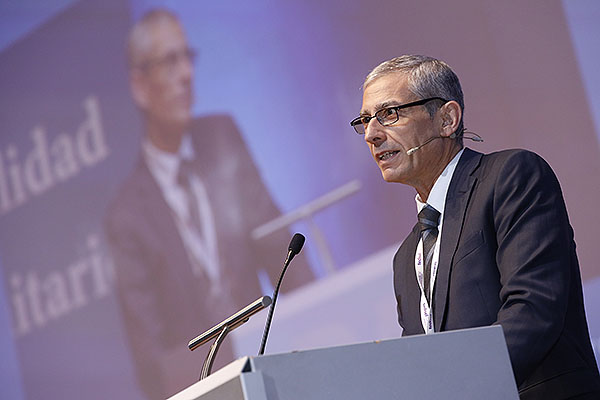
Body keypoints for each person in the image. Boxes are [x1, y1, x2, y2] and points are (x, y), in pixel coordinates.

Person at [350, 55, 600, 399]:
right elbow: (420, 362)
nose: (372, 135)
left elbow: (533, 310)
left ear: (447, 119)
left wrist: (454, 389)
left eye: (389, 114)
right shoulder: (406, 256)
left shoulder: (510, 176)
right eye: (365, 120)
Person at [104, 9, 312, 400]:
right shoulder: (126, 214)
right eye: (169, 62)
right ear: (140, 86)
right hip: (206, 389)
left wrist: (325, 325)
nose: (186, 75)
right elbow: (151, 358)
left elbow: (282, 253)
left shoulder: (222, 139)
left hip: (273, 366)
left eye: (187, 58)